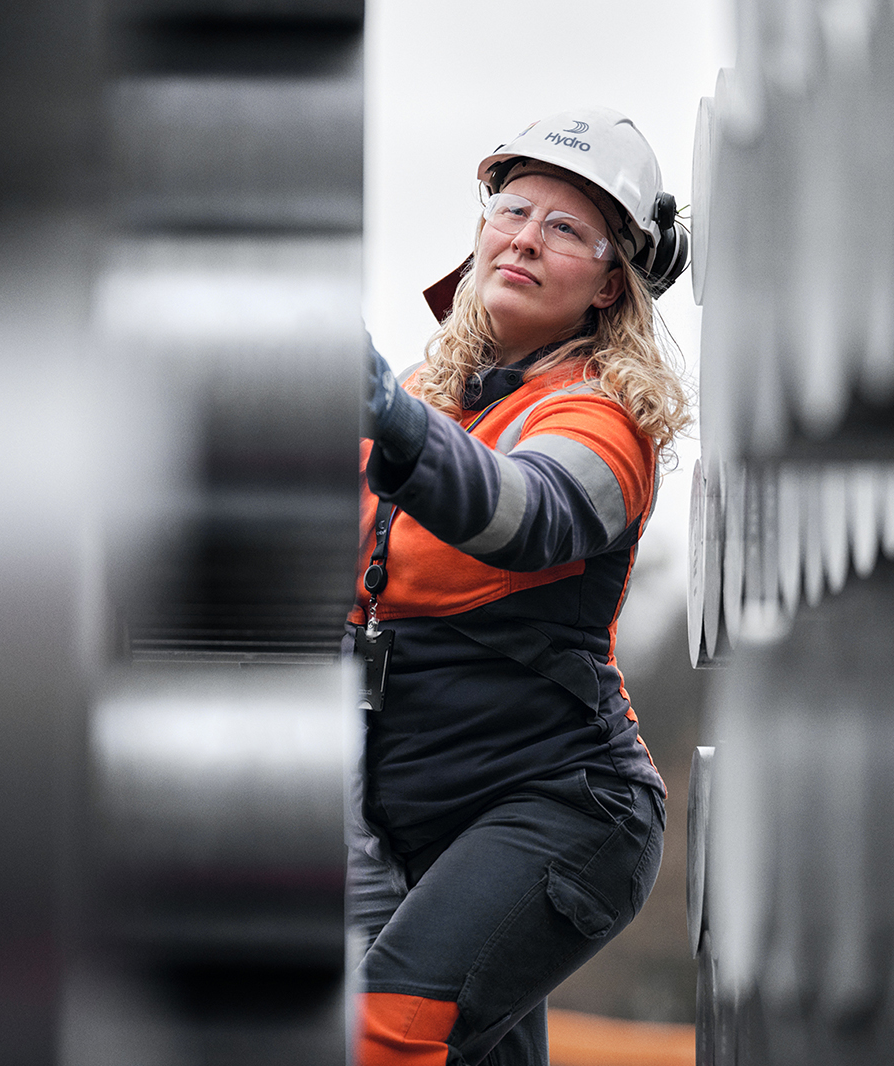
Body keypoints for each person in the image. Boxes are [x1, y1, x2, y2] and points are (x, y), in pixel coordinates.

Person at [351, 107, 693, 1066]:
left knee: (381, 1035)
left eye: (569, 228)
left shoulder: (605, 421)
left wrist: (383, 412)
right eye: (514, 208)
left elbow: (523, 515)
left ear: (607, 286)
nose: (528, 238)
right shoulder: (420, 397)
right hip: (411, 829)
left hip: (563, 812)